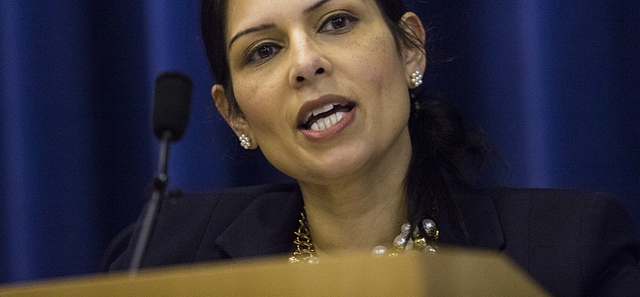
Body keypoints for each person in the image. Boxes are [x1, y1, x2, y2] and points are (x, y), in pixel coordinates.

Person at [112, 0, 640, 295]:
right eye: (264, 50)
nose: (305, 64)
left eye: (337, 22)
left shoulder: (571, 253)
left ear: (410, 49)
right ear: (235, 115)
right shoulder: (164, 259)